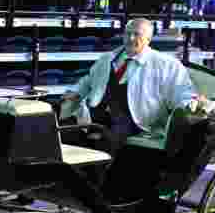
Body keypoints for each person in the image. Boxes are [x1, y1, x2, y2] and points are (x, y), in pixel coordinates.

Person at [60, 18, 198, 155]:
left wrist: (189, 105)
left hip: (135, 121)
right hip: (97, 114)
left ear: (148, 39)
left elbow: (183, 91)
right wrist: (76, 91)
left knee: (106, 141)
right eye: (127, 33)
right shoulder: (108, 58)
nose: (130, 38)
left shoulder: (167, 65)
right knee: (65, 132)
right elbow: (88, 80)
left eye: (137, 34)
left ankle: (98, 175)